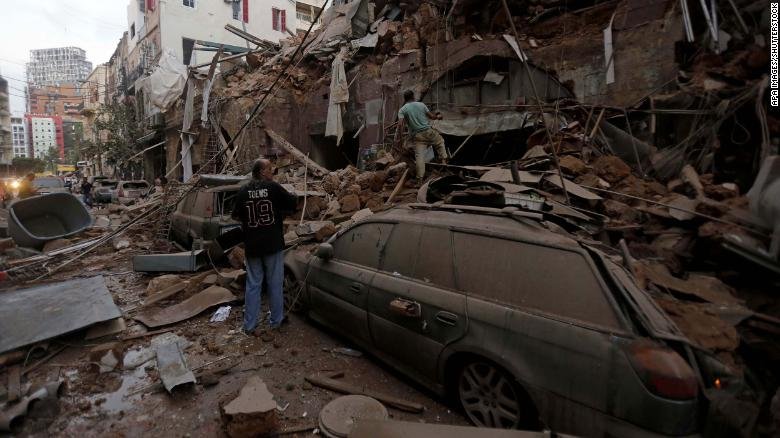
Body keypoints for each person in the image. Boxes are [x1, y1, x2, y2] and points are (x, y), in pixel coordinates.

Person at [232, 159, 298, 337]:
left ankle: (249, 325)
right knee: (275, 283)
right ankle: (276, 320)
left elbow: (236, 216)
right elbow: (292, 204)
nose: (272, 171)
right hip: (272, 244)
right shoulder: (273, 188)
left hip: (253, 245)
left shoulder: (243, 191)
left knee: (253, 285)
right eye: (269, 168)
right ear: (261, 171)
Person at [394, 90, 448, 182]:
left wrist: (401, 139)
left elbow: (400, 125)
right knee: (440, 142)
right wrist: (438, 117)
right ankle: (443, 160)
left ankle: (420, 179)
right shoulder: (421, 105)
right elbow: (432, 117)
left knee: (420, 157)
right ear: (413, 96)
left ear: (405, 99)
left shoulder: (402, 110)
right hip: (428, 132)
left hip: (418, 136)